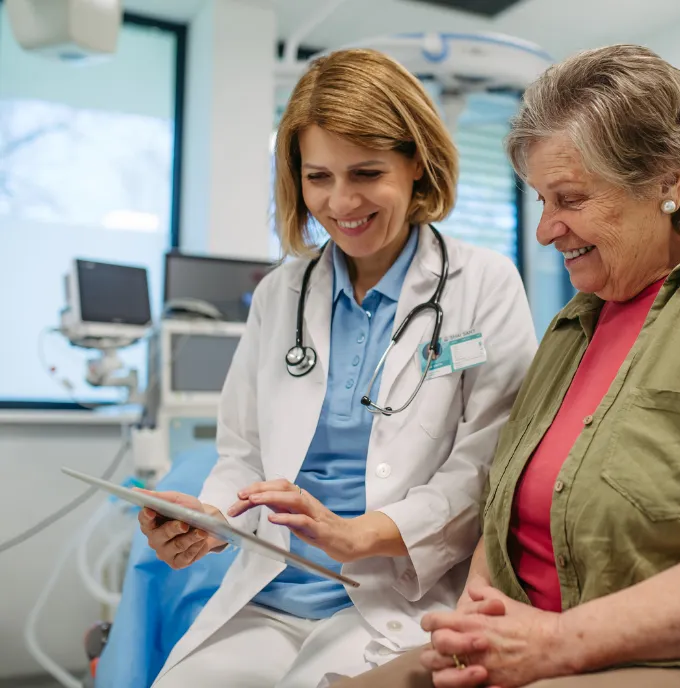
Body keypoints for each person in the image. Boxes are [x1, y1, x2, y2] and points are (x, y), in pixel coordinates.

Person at [337, 44, 680, 688]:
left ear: (667, 180)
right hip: (539, 644)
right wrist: (475, 624)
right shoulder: (573, 326)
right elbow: (504, 512)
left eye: (570, 198)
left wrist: (557, 643)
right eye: (540, 200)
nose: (547, 229)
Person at [141, 48, 537, 688]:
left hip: (397, 593)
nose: (340, 201)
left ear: (417, 164)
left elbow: (489, 468)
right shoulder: (281, 293)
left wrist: (364, 535)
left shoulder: (482, 285)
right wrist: (209, 523)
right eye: (318, 176)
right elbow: (243, 454)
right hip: (271, 591)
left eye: (366, 172)